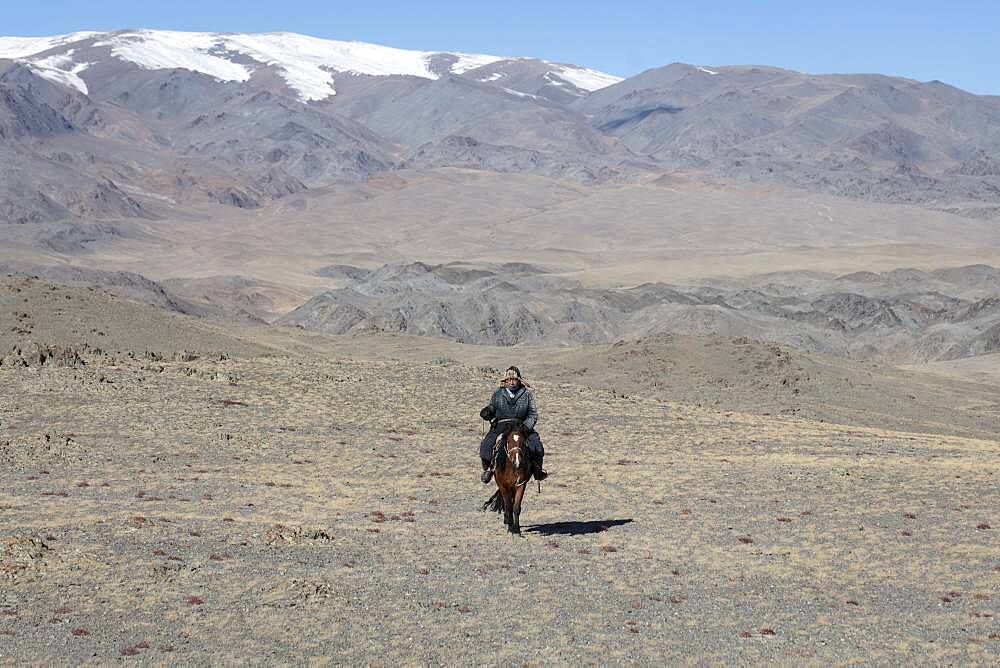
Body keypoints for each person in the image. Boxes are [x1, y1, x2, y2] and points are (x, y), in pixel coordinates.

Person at [479, 366, 547, 483]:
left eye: (514, 379)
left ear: (519, 380)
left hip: (522, 426)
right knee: (485, 446)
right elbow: (492, 407)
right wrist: (487, 411)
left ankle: (537, 470)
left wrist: (526, 426)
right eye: (509, 380)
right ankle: (489, 470)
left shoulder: (526, 394)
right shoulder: (498, 394)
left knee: (537, 447)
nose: (511, 382)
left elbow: (532, 414)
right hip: (501, 426)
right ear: (505, 381)